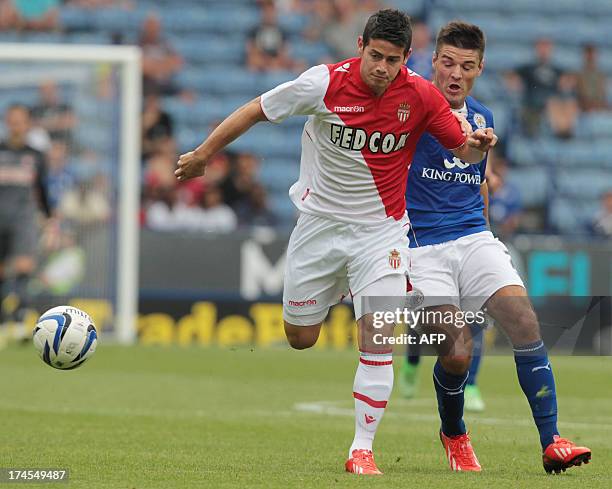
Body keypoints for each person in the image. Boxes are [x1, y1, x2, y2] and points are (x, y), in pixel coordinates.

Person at [175, 9, 496, 475]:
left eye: (393, 60)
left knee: (378, 338)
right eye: (375, 56)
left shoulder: (422, 96)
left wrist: (478, 145)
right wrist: (204, 154)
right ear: (361, 45)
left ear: (407, 58)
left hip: (381, 232)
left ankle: (361, 450)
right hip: (320, 227)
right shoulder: (322, 83)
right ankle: (347, 294)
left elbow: (459, 147)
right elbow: (255, 109)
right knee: (301, 337)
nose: (382, 68)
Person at [402, 21, 591, 474]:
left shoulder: (484, 116)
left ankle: (552, 441)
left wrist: (485, 243)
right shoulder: (408, 109)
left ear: (480, 68)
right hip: (420, 245)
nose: (455, 74)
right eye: (447, 63)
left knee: (524, 320)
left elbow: (479, 182)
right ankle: (454, 432)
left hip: (473, 237)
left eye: (466, 66)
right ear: (434, 62)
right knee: (457, 352)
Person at [0, 105, 52, 338]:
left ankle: (20, 320)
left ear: (28, 124)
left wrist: (49, 216)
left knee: (24, 266)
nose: (16, 125)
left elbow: (42, 189)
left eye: (20, 121)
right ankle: (2, 321)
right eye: (12, 120)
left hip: (23, 218)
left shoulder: (36, 156)